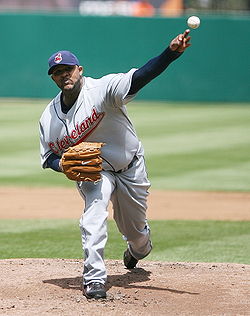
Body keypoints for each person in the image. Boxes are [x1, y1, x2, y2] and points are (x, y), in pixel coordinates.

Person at [39, 29, 191, 300]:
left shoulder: (103, 89)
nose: (64, 75)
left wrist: (171, 54)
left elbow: (140, 77)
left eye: (68, 69)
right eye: (57, 71)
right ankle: (94, 278)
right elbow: (48, 157)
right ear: (52, 77)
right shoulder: (48, 117)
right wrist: (63, 165)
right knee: (93, 216)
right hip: (95, 172)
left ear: (80, 70)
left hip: (130, 166)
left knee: (136, 234)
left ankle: (137, 249)